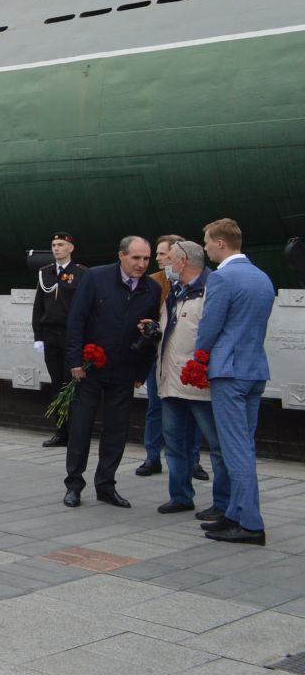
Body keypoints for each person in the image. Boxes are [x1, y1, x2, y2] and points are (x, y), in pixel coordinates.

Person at [61, 236, 159, 510]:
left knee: (117, 431)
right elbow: (76, 319)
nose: (142, 264)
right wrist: (75, 361)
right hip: (90, 369)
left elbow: (149, 332)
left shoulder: (151, 288)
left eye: (146, 259)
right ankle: (74, 485)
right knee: (81, 428)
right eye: (136, 258)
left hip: (125, 369)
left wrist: (142, 370)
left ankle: (106, 485)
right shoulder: (96, 278)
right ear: (121, 255)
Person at [194, 218, 275, 545]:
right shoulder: (262, 277)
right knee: (245, 444)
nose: (205, 248)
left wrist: (199, 357)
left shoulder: (222, 277)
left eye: (207, 242)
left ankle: (250, 524)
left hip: (229, 371)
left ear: (220, 243)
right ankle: (235, 513)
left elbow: (210, 325)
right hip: (254, 369)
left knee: (235, 448)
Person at [153, 240, 230, 518]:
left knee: (218, 447)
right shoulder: (176, 291)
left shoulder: (211, 290)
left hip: (199, 384)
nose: (165, 263)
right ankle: (180, 496)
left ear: (183, 261)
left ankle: (223, 504)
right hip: (171, 382)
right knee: (175, 445)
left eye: (170, 258)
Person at [31, 232, 86, 448]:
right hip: (50, 336)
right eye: (54, 245)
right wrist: (38, 336)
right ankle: (61, 432)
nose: (56, 248)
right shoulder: (45, 272)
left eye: (61, 245)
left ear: (71, 248)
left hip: (71, 335)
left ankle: (76, 432)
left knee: (71, 384)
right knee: (57, 384)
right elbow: (38, 307)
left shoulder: (81, 273)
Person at [136, 234, 183, 477]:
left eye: (163, 254)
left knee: (189, 409)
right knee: (155, 407)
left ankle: (192, 460)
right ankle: (152, 457)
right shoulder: (152, 282)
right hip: (158, 356)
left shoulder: (193, 281)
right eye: (158, 254)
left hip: (183, 358)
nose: (158, 258)